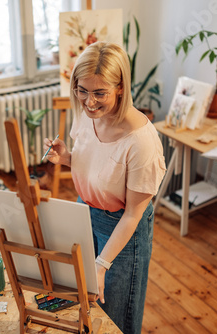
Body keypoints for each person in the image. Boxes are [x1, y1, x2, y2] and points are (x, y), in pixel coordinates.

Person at [43, 41, 166, 333]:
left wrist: (102, 264)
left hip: (122, 227)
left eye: (100, 93)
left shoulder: (141, 142)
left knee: (117, 318)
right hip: (84, 211)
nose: (89, 102)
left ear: (121, 87)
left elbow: (134, 214)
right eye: (82, 90)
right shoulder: (87, 115)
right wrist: (66, 158)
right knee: (84, 302)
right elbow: (97, 167)